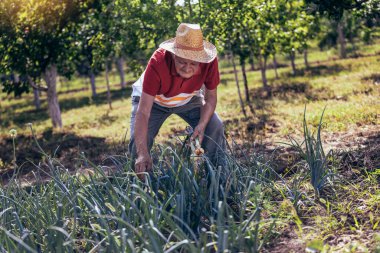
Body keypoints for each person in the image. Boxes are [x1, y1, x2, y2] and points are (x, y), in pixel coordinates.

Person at [129, 23, 226, 180]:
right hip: (154, 102)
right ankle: (142, 194)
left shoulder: (209, 61)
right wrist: (142, 153)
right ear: (173, 55)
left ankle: (218, 184)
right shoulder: (158, 62)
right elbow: (143, 111)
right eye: (182, 62)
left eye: (194, 64)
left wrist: (201, 126)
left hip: (188, 98)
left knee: (214, 126)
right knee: (139, 142)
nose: (188, 68)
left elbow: (210, 98)